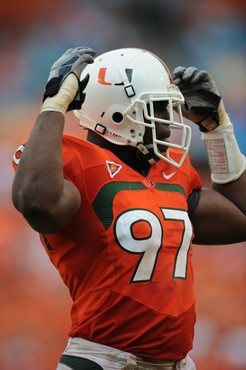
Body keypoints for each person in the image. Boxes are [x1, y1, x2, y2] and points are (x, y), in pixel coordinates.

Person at [12, 47, 246, 370]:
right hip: (103, 360)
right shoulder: (79, 163)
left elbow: (241, 216)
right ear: (116, 114)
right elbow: (37, 204)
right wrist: (54, 106)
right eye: (158, 109)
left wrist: (218, 129)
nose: (167, 125)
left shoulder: (168, 172)